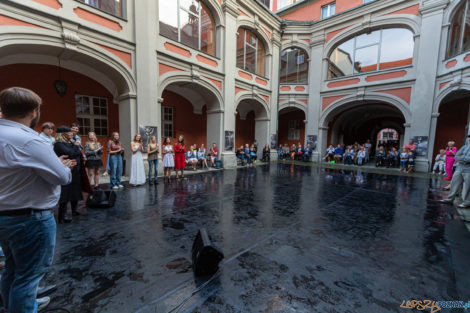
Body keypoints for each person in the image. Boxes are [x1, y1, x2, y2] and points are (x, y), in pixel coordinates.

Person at [0, 87, 73, 313]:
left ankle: (16, 304)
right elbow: (62, 177)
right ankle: (23, 305)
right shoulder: (31, 140)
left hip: (4, 216)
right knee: (28, 276)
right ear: (34, 112)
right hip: (30, 218)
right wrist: (61, 165)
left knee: (12, 269)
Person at [54, 126, 85, 222]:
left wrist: (75, 149)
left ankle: (74, 211)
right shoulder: (59, 144)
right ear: (63, 134)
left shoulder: (71, 143)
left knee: (74, 190)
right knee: (65, 193)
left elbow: (78, 154)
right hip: (65, 170)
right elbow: (69, 153)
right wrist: (75, 147)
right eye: (69, 132)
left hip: (75, 170)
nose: (71, 133)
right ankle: (62, 216)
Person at [440, 135, 470, 208]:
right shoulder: (464, 147)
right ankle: (449, 199)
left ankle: (467, 203)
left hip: (468, 169)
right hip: (459, 168)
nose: (469, 140)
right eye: (469, 139)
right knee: (454, 183)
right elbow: (456, 156)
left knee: (468, 187)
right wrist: (463, 158)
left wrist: (462, 157)